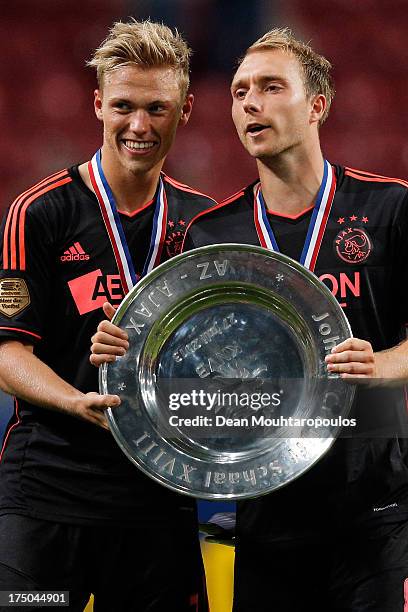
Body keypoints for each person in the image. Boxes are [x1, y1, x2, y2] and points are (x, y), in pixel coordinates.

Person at [92, 28, 408, 612]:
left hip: (376, 512)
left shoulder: (389, 208)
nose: (248, 104)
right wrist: (126, 347)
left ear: (317, 105)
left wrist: (382, 364)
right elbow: (185, 365)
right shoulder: (213, 235)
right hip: (262, 513)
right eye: (239, 93)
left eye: (269, 87)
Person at [0, 19, 217, 611]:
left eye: (157, 108)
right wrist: (75, 400)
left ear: (187, 110)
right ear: (98, 103)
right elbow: (7, 351)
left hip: (156, 495)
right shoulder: (38, 213)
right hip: (49, 487)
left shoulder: (205, 226)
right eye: (123, 106)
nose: (139, 126)